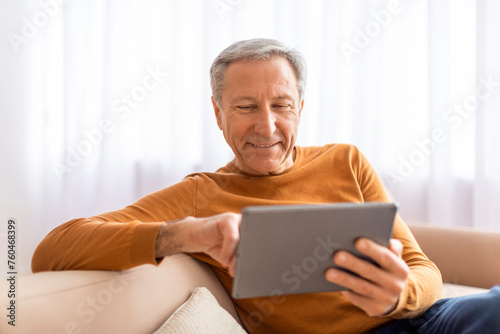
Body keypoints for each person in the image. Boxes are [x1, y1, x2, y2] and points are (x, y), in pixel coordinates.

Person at [32, 38, 499, 333]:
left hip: (424, 321)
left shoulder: (346, 161)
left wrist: (401, 295)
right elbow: (52, 249)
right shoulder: (201, 194)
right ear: (217, 113)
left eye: (281, 105)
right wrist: (186, 233)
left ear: (300, 107)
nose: (267, 126)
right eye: (245, 107)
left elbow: (423, 268)